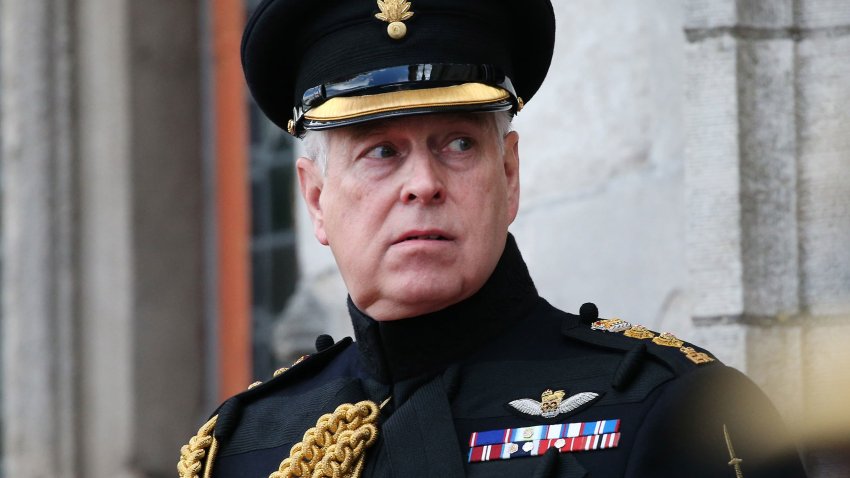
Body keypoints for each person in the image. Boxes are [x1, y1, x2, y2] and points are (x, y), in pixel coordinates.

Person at [178, 0, 808, 476]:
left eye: (457, 144)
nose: (422, 184)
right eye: (381, 152)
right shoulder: (243, 448)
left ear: (508, 175)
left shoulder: (678, 411)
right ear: (316, 198)